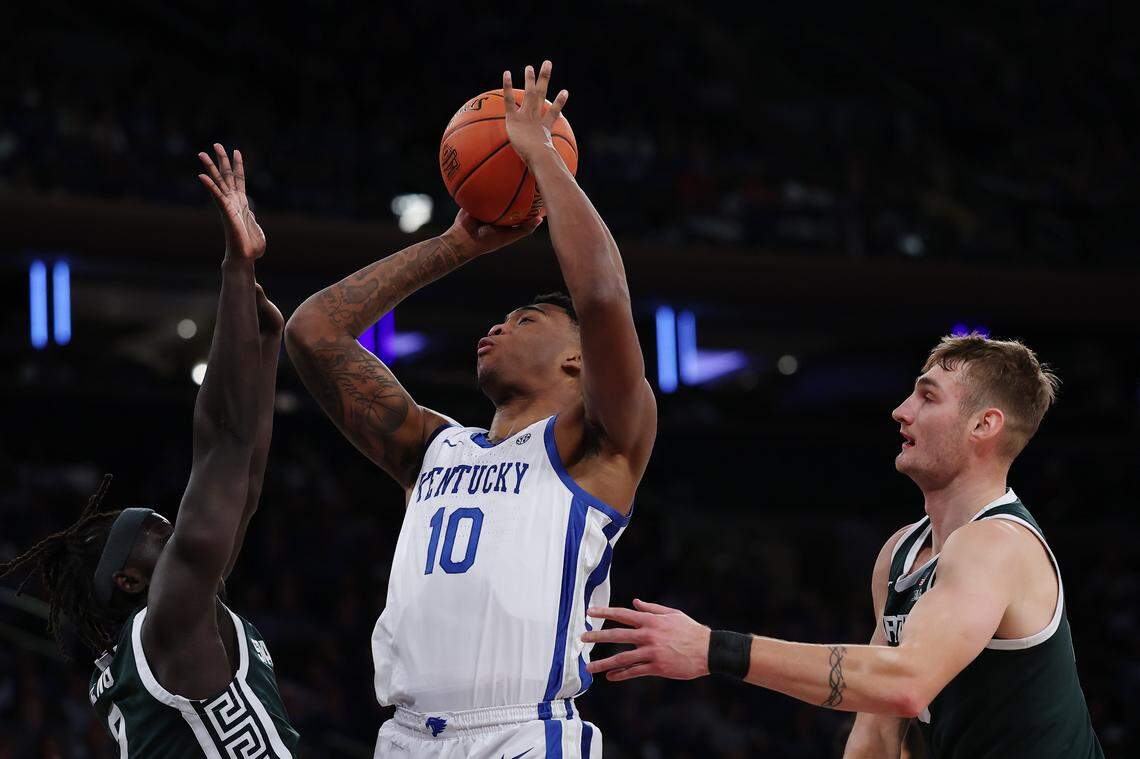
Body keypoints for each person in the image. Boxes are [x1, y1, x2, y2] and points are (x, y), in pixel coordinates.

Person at [285, 61, 656, 758]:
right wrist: (458, 245)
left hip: (524, 732)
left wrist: (539, 156)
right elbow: (312, 332)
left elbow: (604, 297)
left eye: (524, 319)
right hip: (403, 737)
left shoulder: (595, 443)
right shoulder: (434, 448)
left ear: (579, 360)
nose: (496, 326)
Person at [583, 335, 1104, 759]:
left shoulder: (997, 544)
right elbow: (878, 731)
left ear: (984, 425)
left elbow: (906, 683)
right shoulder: (901, 552)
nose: (901, 412)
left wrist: (713, 648)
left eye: (927, 396)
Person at [0, 145, 299, 756]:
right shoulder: (167, 625)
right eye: (159, 532)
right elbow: (224, 442)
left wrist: (265, 357)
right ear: (132, 579)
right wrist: (236, 271)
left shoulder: (166, 636)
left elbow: (245, 478)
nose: (177, 525)